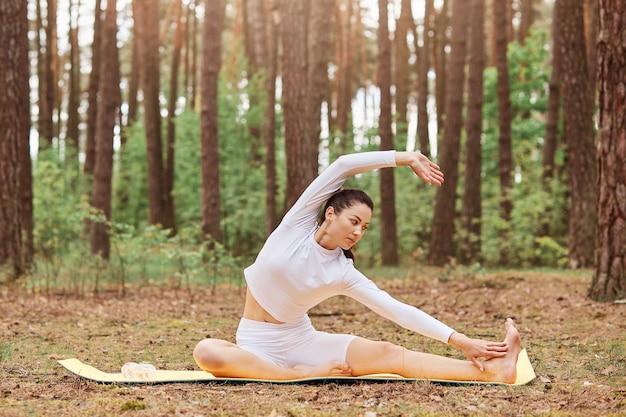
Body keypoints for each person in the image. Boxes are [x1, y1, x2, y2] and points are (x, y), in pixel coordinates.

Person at [193, 150, 521, 383]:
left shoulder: (342, 272)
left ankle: (494, 371)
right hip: (256, 346)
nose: (357, 232)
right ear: (330, 213)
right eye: (354, 221)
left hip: (303, 343)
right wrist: (405, 157)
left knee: (388, 352)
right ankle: (293, 376)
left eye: (364, 228)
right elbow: (342, 166)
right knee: (207, 351)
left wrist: (460, 340)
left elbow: (398, 310)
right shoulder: (296, 224)